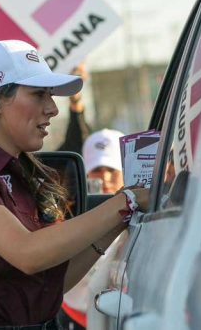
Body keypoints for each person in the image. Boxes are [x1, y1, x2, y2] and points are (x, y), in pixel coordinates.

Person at [0, 40, 149, 329]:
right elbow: (28, 253)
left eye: (50, 96)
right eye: (38, 95)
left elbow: (49, 286)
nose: (52, 109)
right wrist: (123, 203)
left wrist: (117, 221)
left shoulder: (25, 170)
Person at [59, 129, 126, 330]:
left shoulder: (141, 213)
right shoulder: (68, 214)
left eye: (112, 171)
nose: (104, 178)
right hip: (73, 317)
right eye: (96, 171)